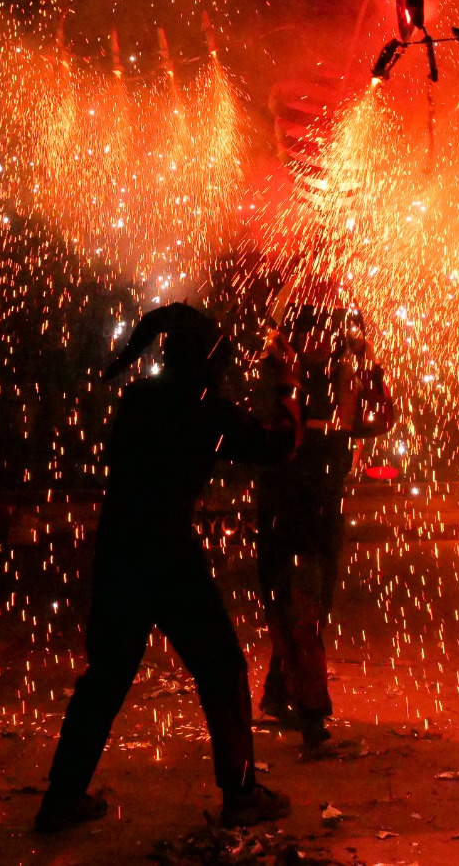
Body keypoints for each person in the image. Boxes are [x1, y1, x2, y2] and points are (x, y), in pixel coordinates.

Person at [35, 303, 301, 833]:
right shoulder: (207, 407)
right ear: (206, 358)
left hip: (119, 550)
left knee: (105, 676)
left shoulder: (138, 398)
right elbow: (278, 447)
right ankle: (242, 797)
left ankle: (61, 800)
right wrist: (289, 386)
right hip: (169, 554)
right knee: (222, 669)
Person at [254, 309, 394, 748]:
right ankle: (311, 717)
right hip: (286, 513)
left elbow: (379, 421)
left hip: (322, 516)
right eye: (310, 335)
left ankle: (280, 694)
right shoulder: (283, 378)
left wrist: (372, 368)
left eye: (326, 337)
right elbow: (276, 435)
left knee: (309, 611)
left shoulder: (341, 382)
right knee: (298, 612)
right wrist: (283, 373)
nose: (320, 344)